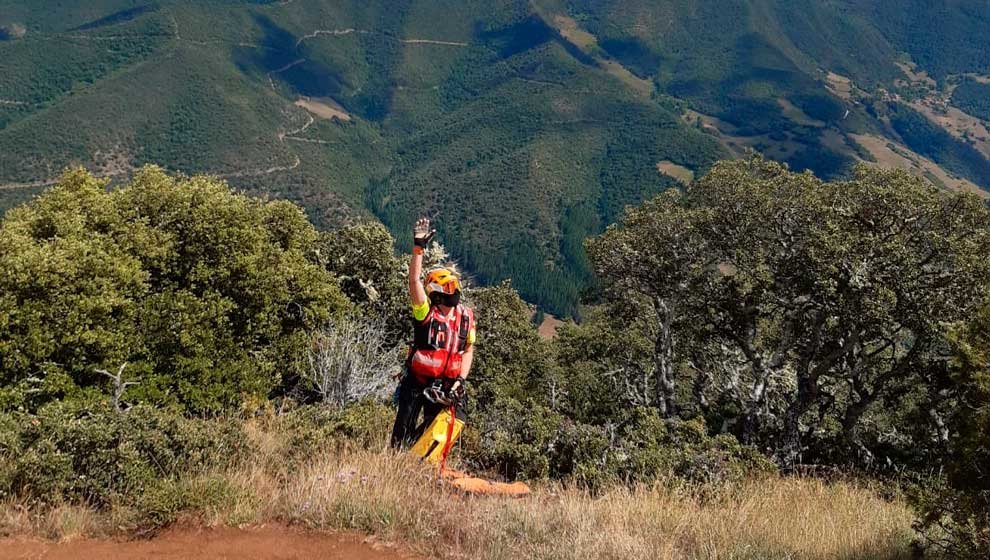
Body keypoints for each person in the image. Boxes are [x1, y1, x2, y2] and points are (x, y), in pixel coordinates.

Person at [389, 217, 476, 449]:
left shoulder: (465, 317)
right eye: (448, 287)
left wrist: (460, 380)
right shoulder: (425, 313)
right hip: (418, 382)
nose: (454, 291)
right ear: (436, 292)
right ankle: (398, 463)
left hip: (447, 386)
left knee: (436, 432)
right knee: (402, 432)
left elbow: (468, 349)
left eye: (455, 286)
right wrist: (418, 249)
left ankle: (420, 462)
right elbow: (414, 281)